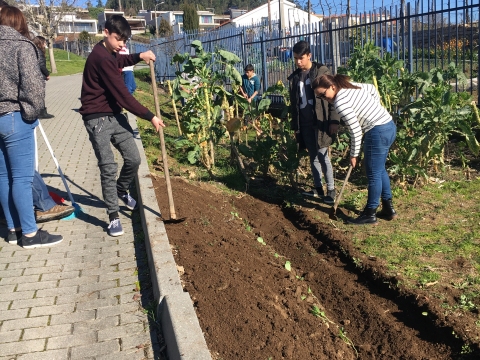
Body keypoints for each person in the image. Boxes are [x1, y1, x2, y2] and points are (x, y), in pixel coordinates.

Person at [80, 15, 164, 237]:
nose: (122, 45)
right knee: (108, 167)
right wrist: (151, 116)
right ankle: (114, 217)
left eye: (125, 41)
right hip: (96, 119)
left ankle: (121, 189)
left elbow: (120, 62)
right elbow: (124, 97)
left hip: (114, 116)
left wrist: (139, 55)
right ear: (105, 32)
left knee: (134, 159)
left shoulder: (108, 52)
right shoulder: (100, 58)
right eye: (119, 40)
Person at [0, 5, 63, 247]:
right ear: (19, 22)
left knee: (3, 176)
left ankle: (13, 228)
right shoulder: (22, 46)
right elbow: (34, 89)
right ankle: (29, 233)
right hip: (16, 117)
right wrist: (31, 113)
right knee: (22, 179)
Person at [311, 74, 397, 225]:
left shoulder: (340, 103)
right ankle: (388, 209)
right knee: (380, 169)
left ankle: (370, 213)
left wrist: (353, 155)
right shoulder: (348, 86)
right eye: (320, 97)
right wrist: (374, 108)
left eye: (324, 95)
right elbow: (371, 88)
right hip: (388, 125)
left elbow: (356, 130)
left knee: (373, 173)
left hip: (377, 131)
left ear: (332, 87)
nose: (324, 99)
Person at [287, 41, 339, 204]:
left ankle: (331, 190)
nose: (298, 62)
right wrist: (296, 126)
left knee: (323, 155)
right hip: (305, 123)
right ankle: (318, 188)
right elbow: (294, 104)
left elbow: (334, 96)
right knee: (313, 156)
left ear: (309, 55)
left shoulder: (321, 72)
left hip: (321, 121)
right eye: (295, 58)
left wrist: (334, 119)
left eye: (301, 58)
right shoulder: (295, 77)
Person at [33, 35, 54, 119]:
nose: (45, 44)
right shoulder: (39, 52)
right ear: (40, 43)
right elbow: (41, 65)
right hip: (39, 76)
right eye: (44, 42)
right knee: (41, 94)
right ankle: (42, 112)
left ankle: (39, 111)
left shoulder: (33, 50)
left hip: (34, 75)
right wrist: (47, 74)